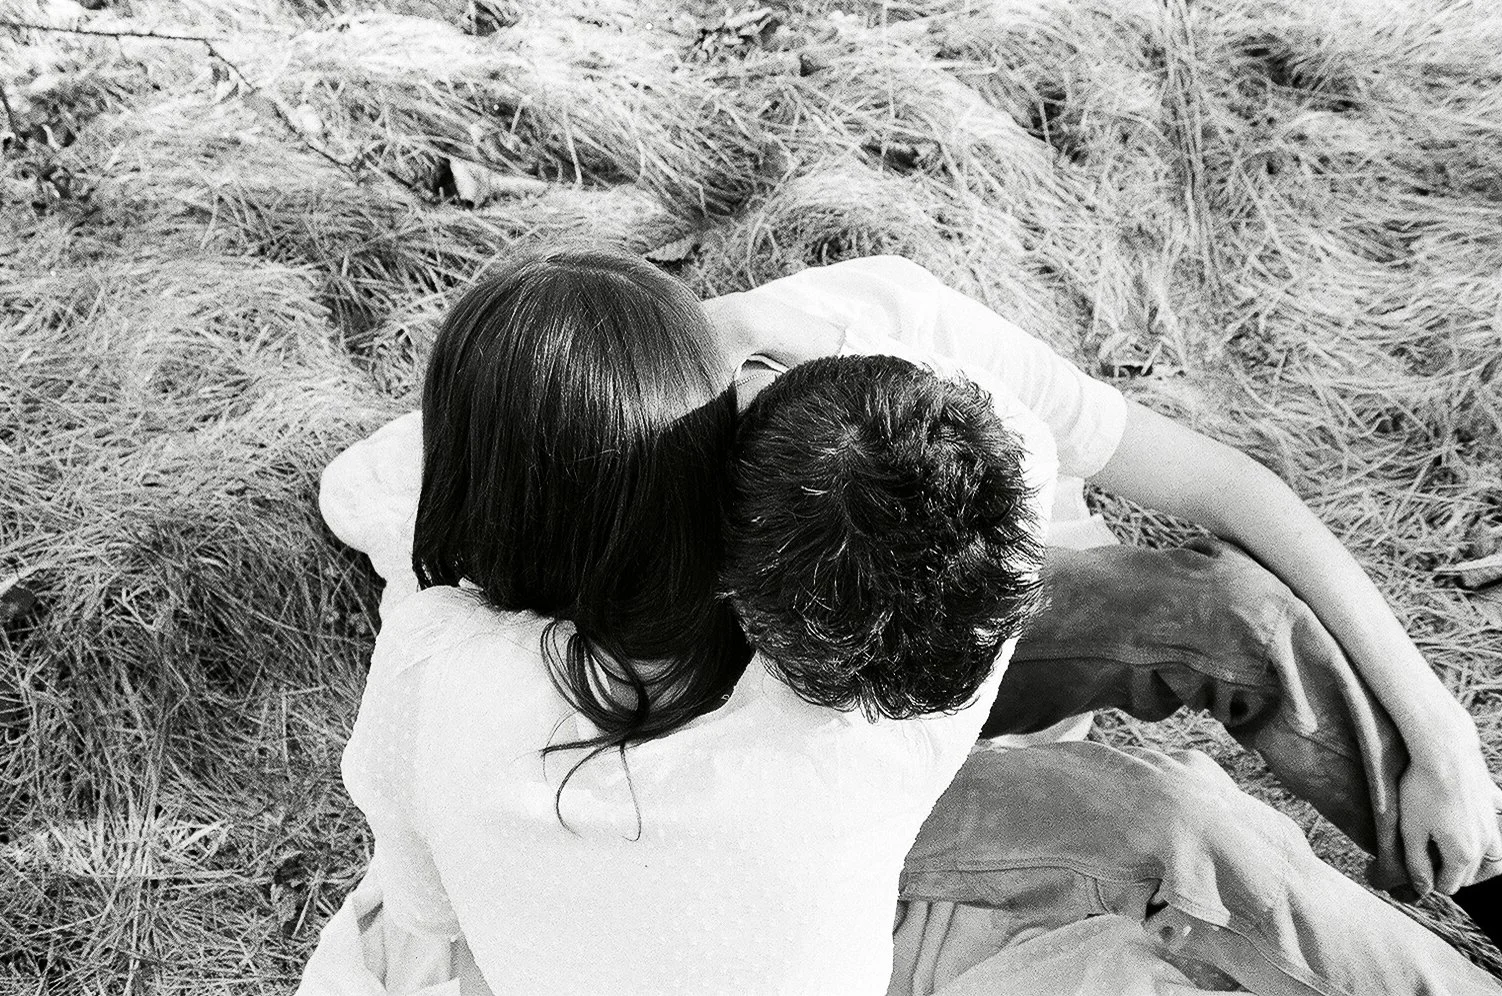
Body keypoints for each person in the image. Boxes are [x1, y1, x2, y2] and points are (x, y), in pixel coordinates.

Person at [300, 245, 1500, 994]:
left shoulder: (900, 334)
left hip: (900, 658)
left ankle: (1470, 869)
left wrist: (1438, 732)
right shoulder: (563, 472)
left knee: (1215, 620)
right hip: (828, 751)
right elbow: (369, 492)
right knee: (1157, 816)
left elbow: (1215, 489)